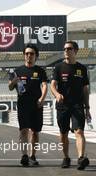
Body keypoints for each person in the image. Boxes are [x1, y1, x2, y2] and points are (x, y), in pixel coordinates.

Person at [50, 41, 91, 170]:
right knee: (63, 133)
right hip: (62, 106)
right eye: (65, 49)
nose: (66, 51)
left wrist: (87, 107)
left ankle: (80, 158)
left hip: (78, 105)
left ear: (76, 51)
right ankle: (66, 157)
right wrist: (56, 94)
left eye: (69, 49)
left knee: (79, 131)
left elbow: (85, 89)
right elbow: (52, 85)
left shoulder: (82, 68)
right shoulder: (58, 67)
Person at [8, 43, 48, 167]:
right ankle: (24, 155)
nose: (29, 56)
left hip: (36, 105)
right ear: (24, 55)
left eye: (31, 54)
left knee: (35, 132)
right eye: (27, 54)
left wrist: (42, 98)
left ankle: (32, 156)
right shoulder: (17, 71)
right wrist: (14, 81)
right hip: (23, 105)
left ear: (36, 56)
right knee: (24, 130)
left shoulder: (40, 71)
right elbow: (10, 87)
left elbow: (45, 85)